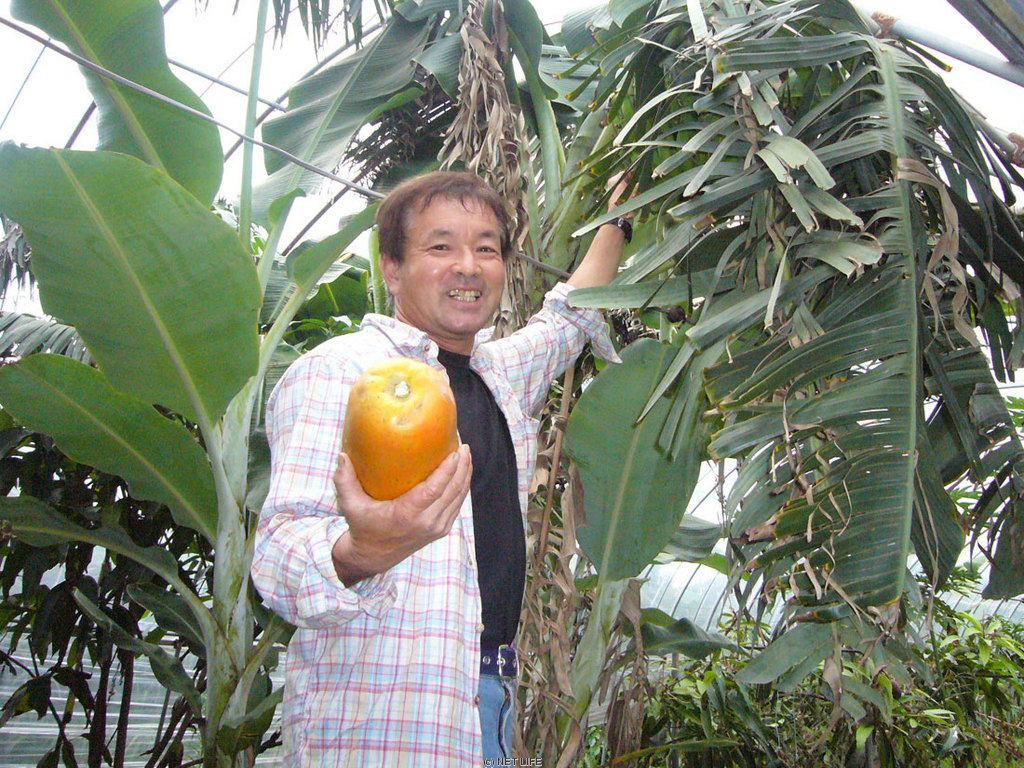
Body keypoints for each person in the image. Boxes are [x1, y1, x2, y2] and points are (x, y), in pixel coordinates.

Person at [251, 171, 631, 766]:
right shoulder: (343, 372)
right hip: (383, 717)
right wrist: (360, 552)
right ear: (392, 268)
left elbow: (569, 317)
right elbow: (277, 559)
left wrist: (622, 219)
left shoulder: (496, 375)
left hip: (489, 695)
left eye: (486, 248)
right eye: (440, 246)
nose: (468, 267)